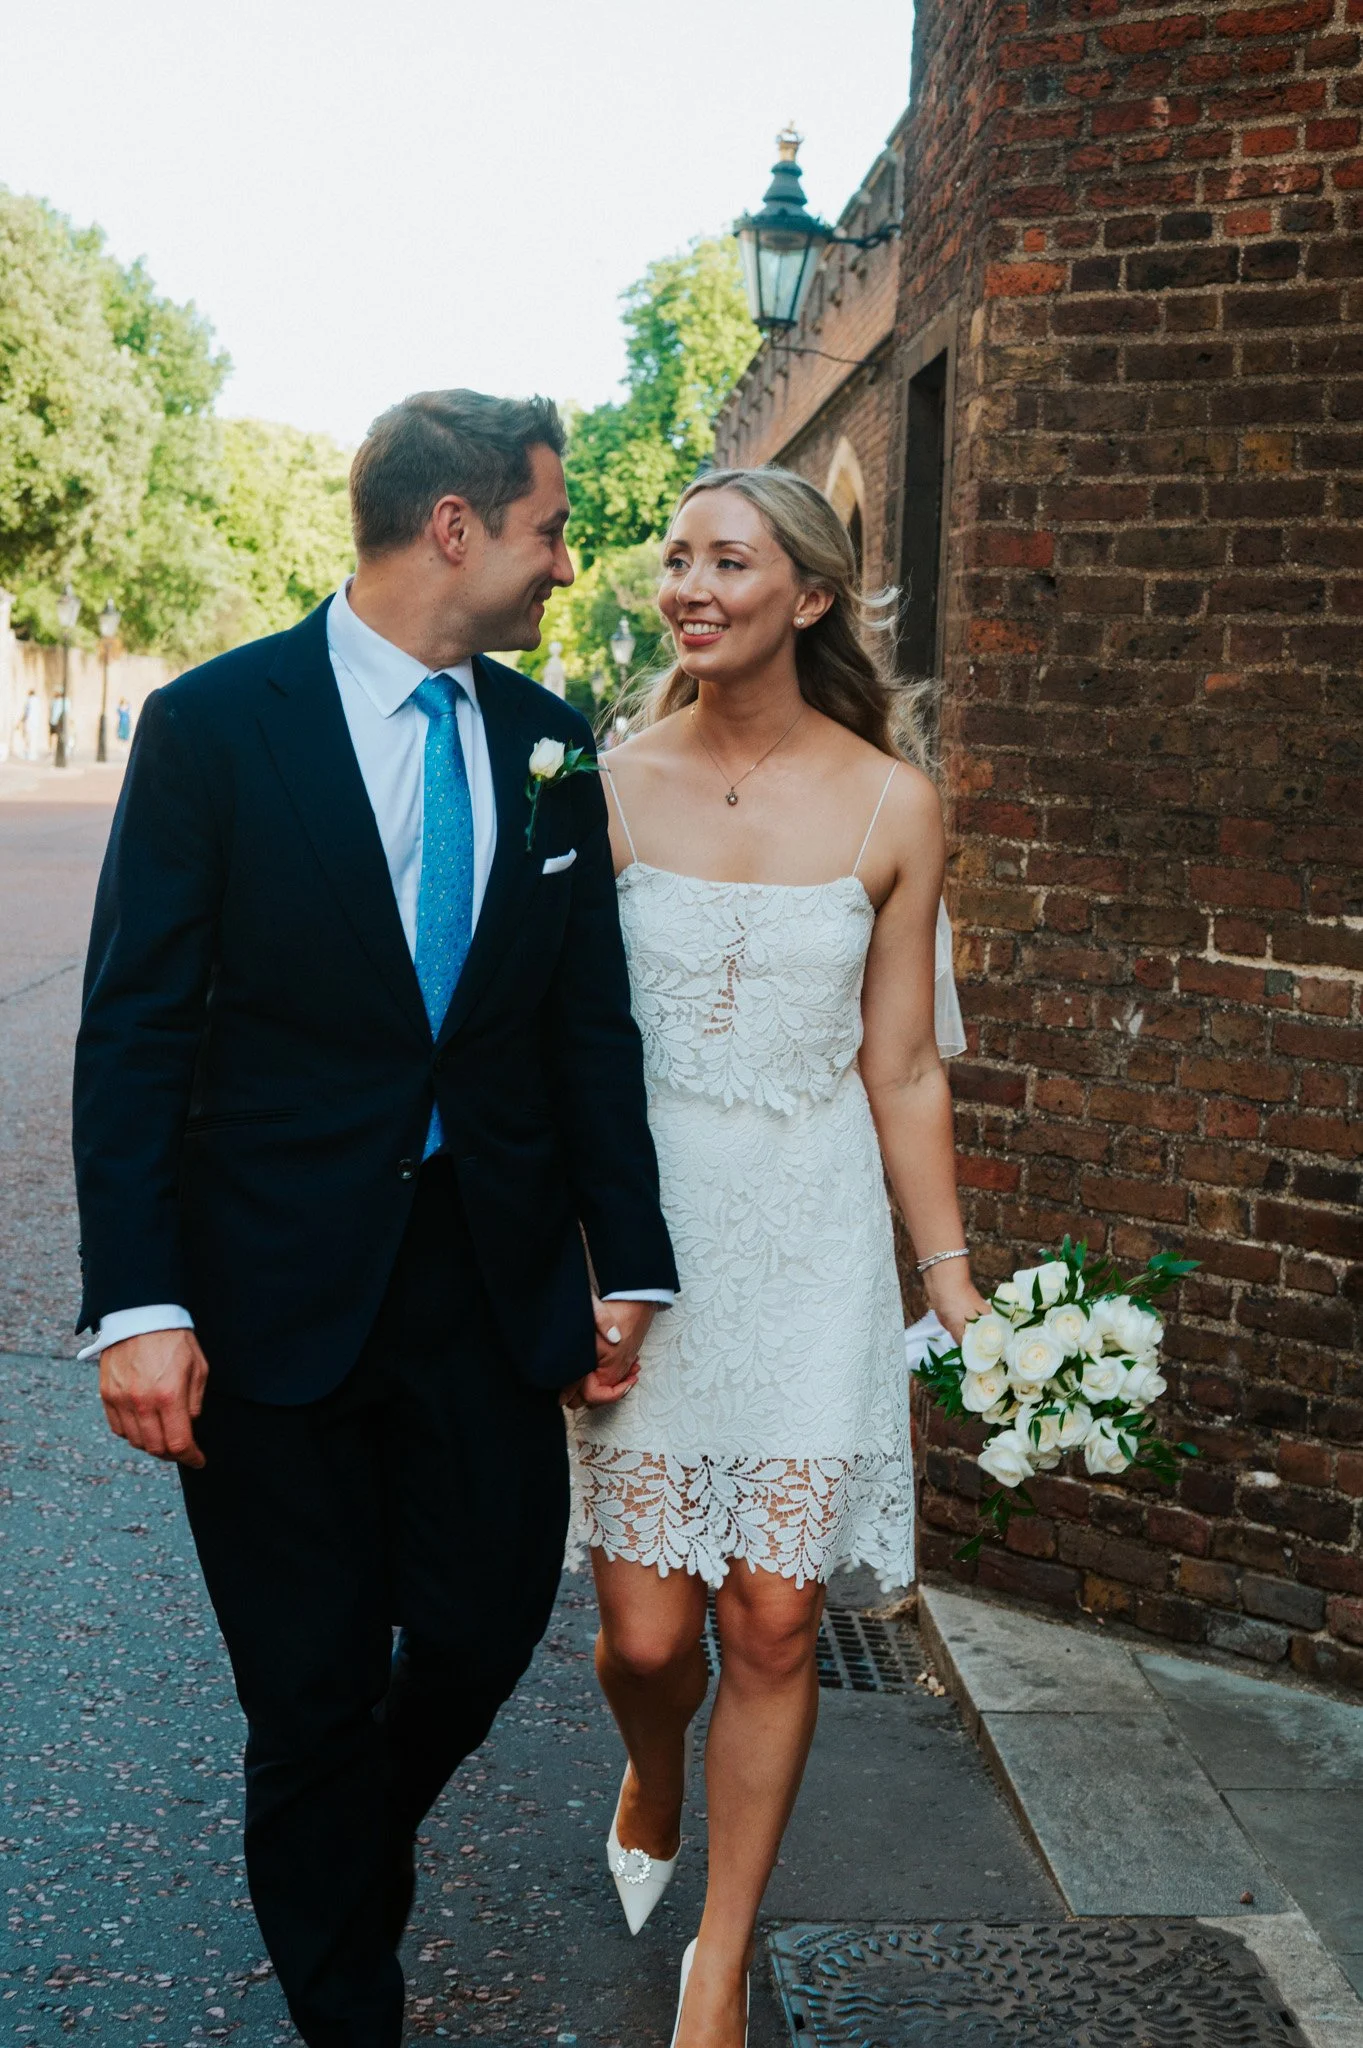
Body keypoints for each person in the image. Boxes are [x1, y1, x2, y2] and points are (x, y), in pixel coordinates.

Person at [72, 389, 678, 2048]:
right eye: (552, 526)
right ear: (455, 526)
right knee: (306, 1682)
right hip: (264, 1287)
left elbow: (582, 1027)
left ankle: (338, 1832)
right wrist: (137, 1303)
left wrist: (625, 1257)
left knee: (482, 1622)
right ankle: (350, 2005)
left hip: (480, 1281)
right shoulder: (215, 723)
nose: (570, 559)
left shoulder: (551, 742)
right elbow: (136, 1024)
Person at [567, 467, 984, 2048]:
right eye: (674, 555)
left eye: (726, 560)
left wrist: (946, 1281)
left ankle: (718, 1965)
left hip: (809, 1248)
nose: (688, 583)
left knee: (772, 1622)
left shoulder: (892, 804)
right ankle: (652, 1760)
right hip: (646, 1251)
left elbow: (901, 1068)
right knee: (645, 1637)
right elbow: (560, 1052)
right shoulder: (601, 785)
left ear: (806, 596)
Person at [20, 687, 44, 762]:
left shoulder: (29, 700)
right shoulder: (38, 701)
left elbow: (26, 712)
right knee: (34, 737)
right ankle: (33, 754)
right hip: (36, 722)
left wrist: (21, 721)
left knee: (28, 737)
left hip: (29, 721)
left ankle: (28, 753)